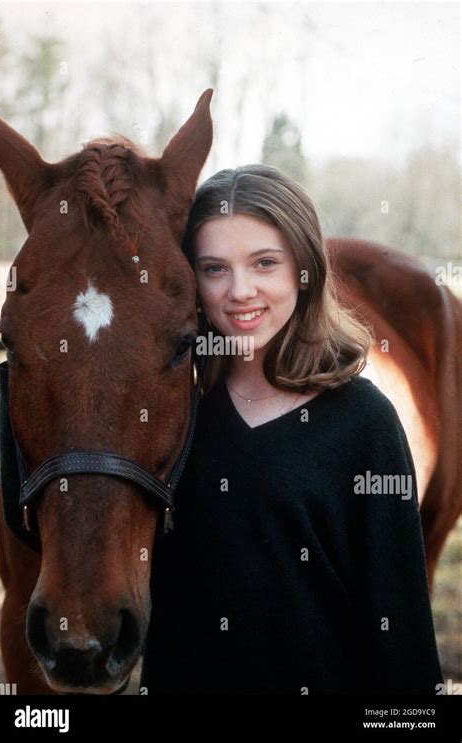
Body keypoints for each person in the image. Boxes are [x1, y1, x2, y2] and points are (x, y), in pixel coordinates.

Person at [139, 164, 444, 696]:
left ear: (304, 268)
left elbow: (401, 633)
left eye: (264, 263)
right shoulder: (176, 416)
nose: (240, 290)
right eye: (214, 268)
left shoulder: (363, 423)